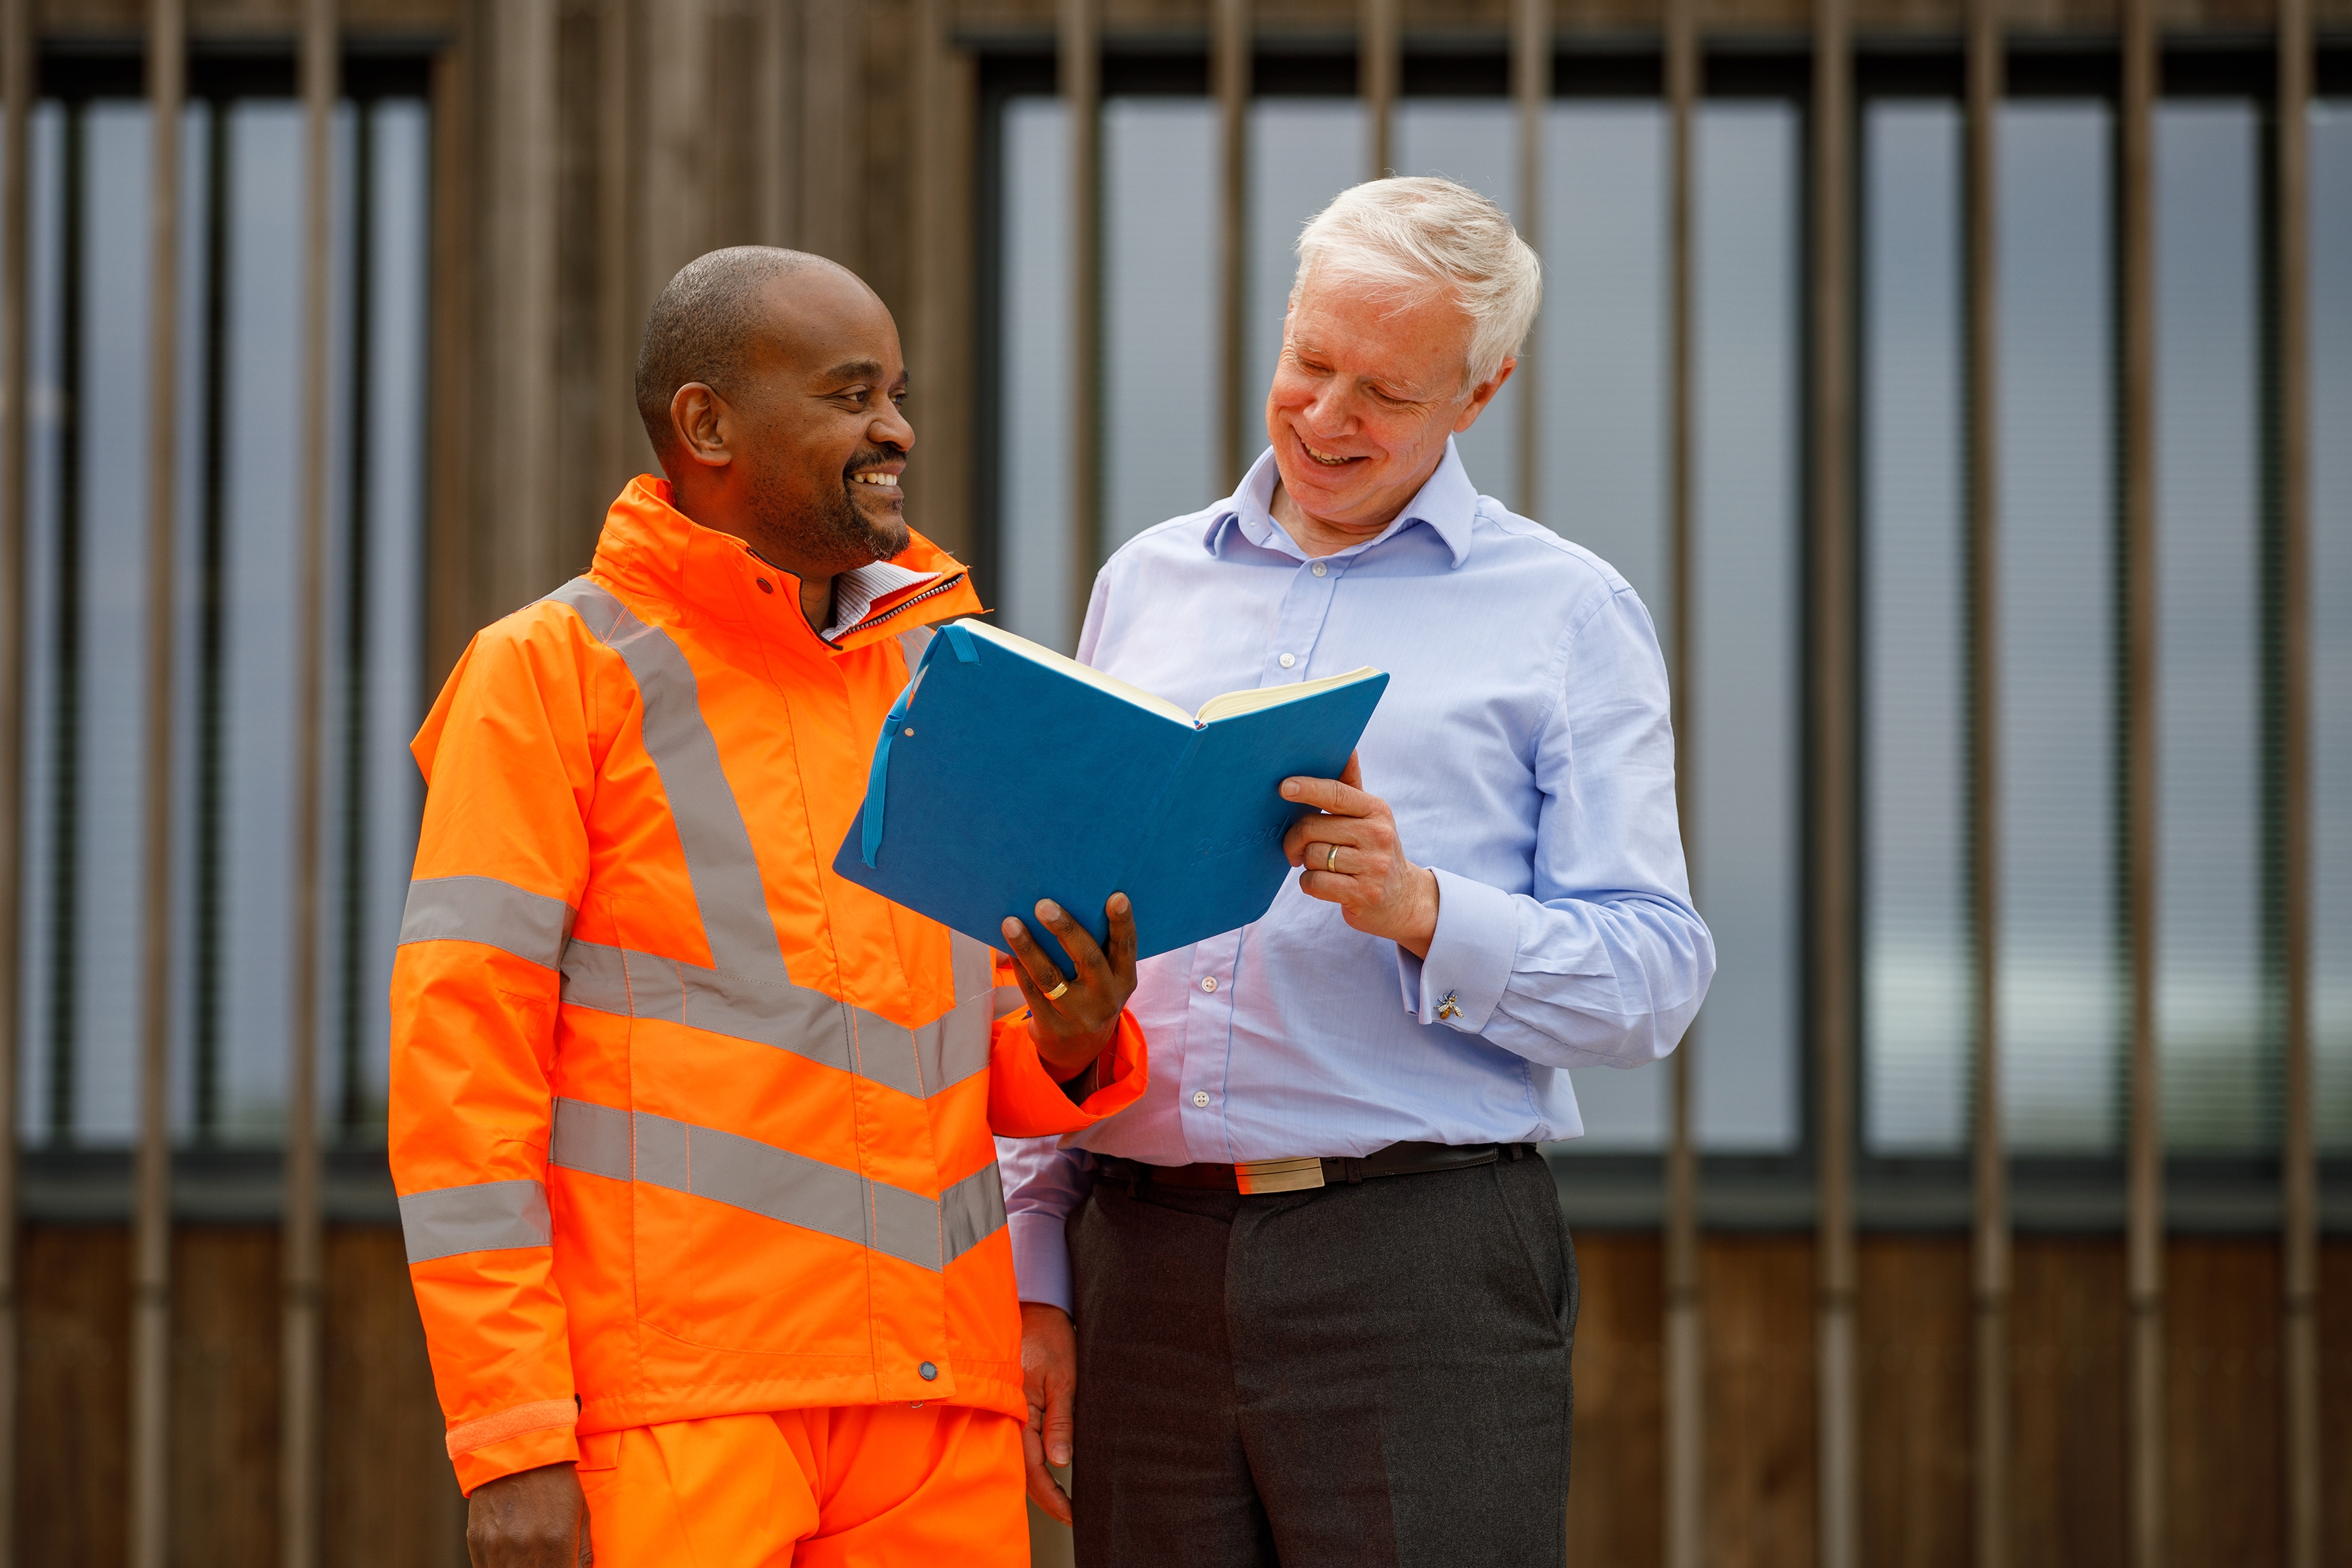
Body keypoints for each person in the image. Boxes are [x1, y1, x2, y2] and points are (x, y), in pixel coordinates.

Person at [391, 247, 1148, 1567]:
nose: (896, 428)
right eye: (852, 394)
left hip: (934, 1409)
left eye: (898, 393)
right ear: (707, 426)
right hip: (680, 1416)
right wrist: (511, 1435)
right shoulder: (547, 676)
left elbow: (971, 1056)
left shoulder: (948, 679)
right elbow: (462, 1080)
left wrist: (1075, 1039)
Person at [1001, 177, 1715, 1567]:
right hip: (1137, 1263)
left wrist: (1424, 909)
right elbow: (1054, 940)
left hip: (1422, 1260)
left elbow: (1657, 979)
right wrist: (1037, 1270)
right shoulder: (1145, 582)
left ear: (1481, 389)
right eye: (1310, 364)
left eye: (1383, 391)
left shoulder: (1569, 611)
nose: (1328, 418)